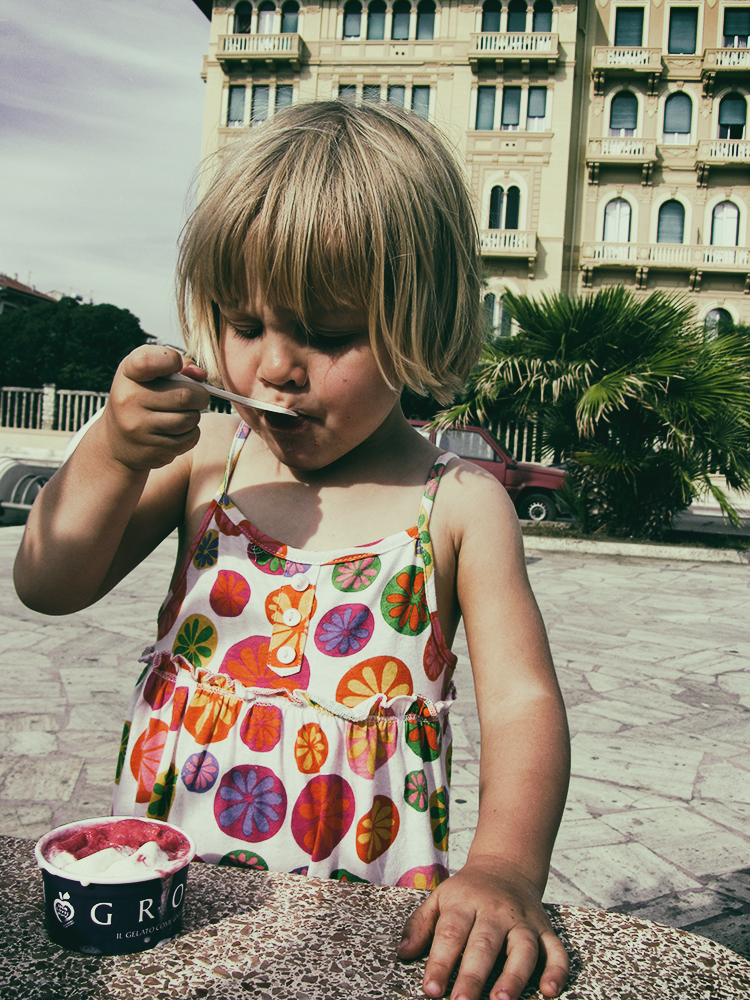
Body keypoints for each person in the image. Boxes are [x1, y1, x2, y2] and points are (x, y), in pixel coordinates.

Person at [14, 101, 570, 1000]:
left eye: (328, 332)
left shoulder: (459, 504)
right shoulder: (207, 463)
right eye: (244, 324)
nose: (275, 366)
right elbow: (49, 580)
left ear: (417, 322)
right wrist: (112, 454)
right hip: (181, 897)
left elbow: (522, 700)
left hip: (365, 909)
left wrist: (505, 867)